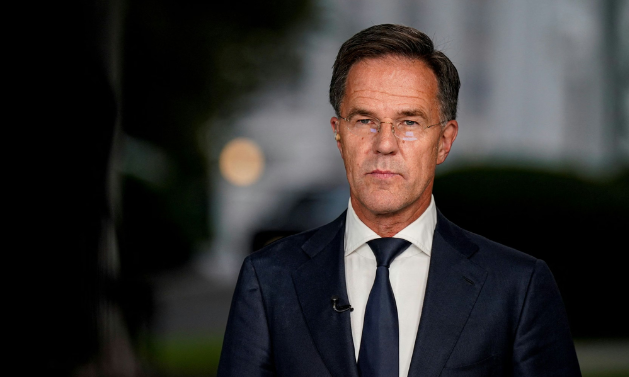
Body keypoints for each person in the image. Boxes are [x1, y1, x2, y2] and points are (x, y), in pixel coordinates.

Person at [217, 24, 581, 377]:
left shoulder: (517, 287)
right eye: (365, 120)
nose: (385, 144)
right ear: (339, 135)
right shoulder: (269, 280)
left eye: (409, 122)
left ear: (444, 141)